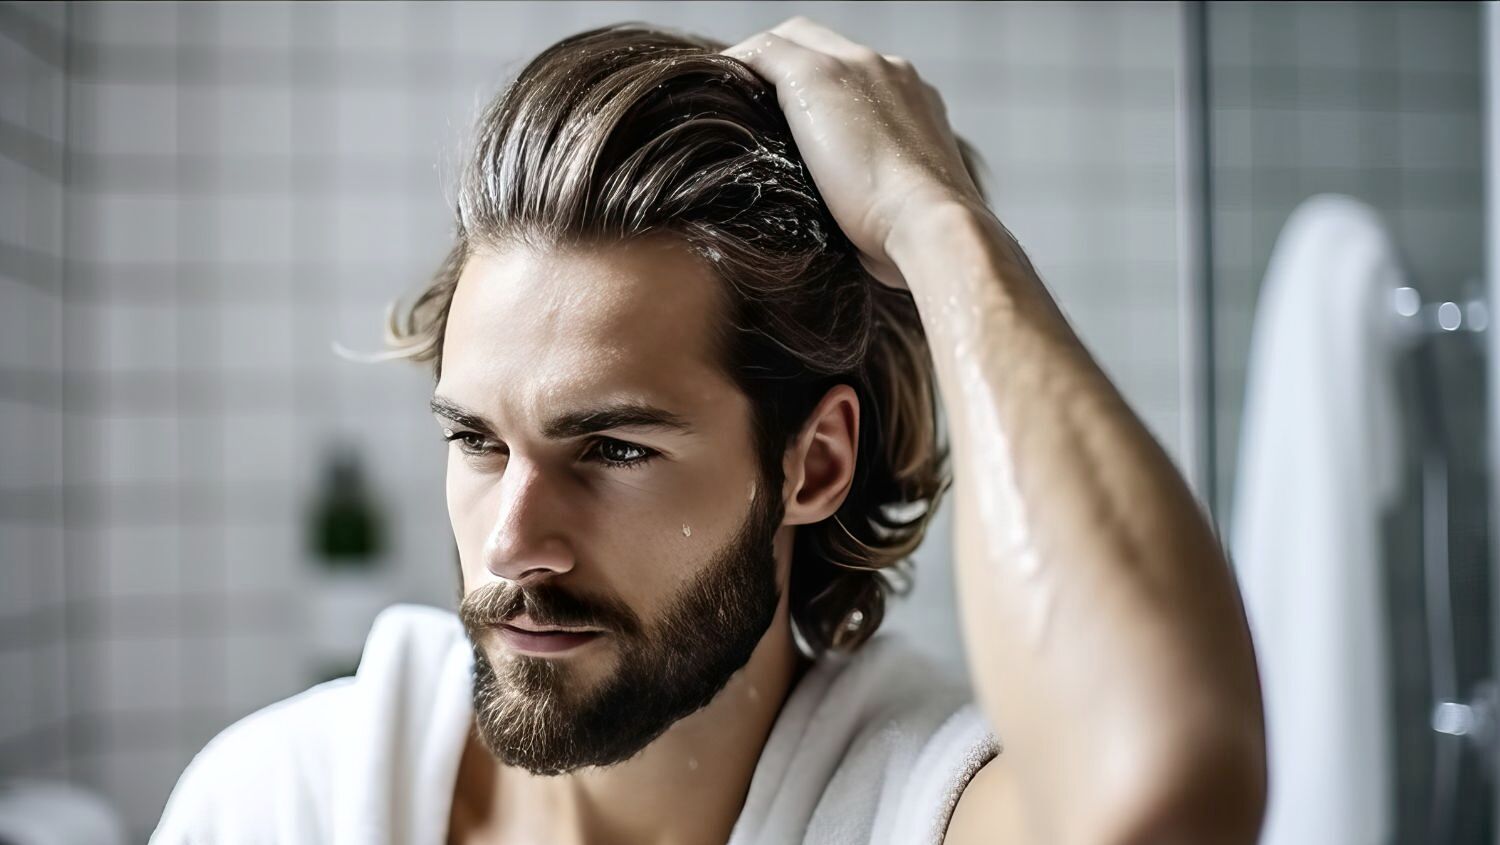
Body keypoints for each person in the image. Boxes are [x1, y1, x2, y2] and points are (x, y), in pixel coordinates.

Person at [153, 16, 1267, 845]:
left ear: (813, 462)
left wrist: (937, 223)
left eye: (614, 449)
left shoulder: (911, 810)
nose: (510, 544)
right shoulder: (281, 801)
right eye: (481, 443)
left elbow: (1159, 786)